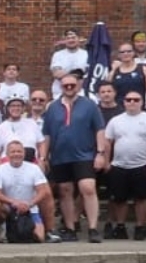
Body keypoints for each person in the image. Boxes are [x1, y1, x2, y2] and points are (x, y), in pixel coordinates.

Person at [44, 74, 106, 242]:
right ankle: (70, 228)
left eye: (72, 84)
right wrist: (44, 157)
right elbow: (47, 134)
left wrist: (100, 153)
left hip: (84, 154)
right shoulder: (52, 108)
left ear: (78, 84)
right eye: (66, 85)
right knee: (65, 192)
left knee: (88, 188)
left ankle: (93, 228)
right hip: (60, 156)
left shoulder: (90, 105)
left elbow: (99, 130)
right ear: (61, 87)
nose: (69, 88)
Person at [101, 91, 146, 241]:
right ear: (124, 102)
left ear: (142, 102)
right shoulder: (115, 120)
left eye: (136, 99)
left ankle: (140, 227)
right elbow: (107, 142)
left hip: (143, 164)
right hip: (119, 165)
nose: (132, 102)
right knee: (119, 199)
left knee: (142, 198)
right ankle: (120, 227)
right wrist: (106, 162)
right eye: (128, 99)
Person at [0, 141, 52, 243]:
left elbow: (43, 191)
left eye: (19, 151)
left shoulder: (34, 168)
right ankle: (3, 228)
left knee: (39, 238)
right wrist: (14, 202)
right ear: (7, 154)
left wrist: (29, 203)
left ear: (24, 153)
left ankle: (27, 231)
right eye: (13, 152)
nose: (16, 154)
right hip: (9, 207)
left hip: (30, 208)